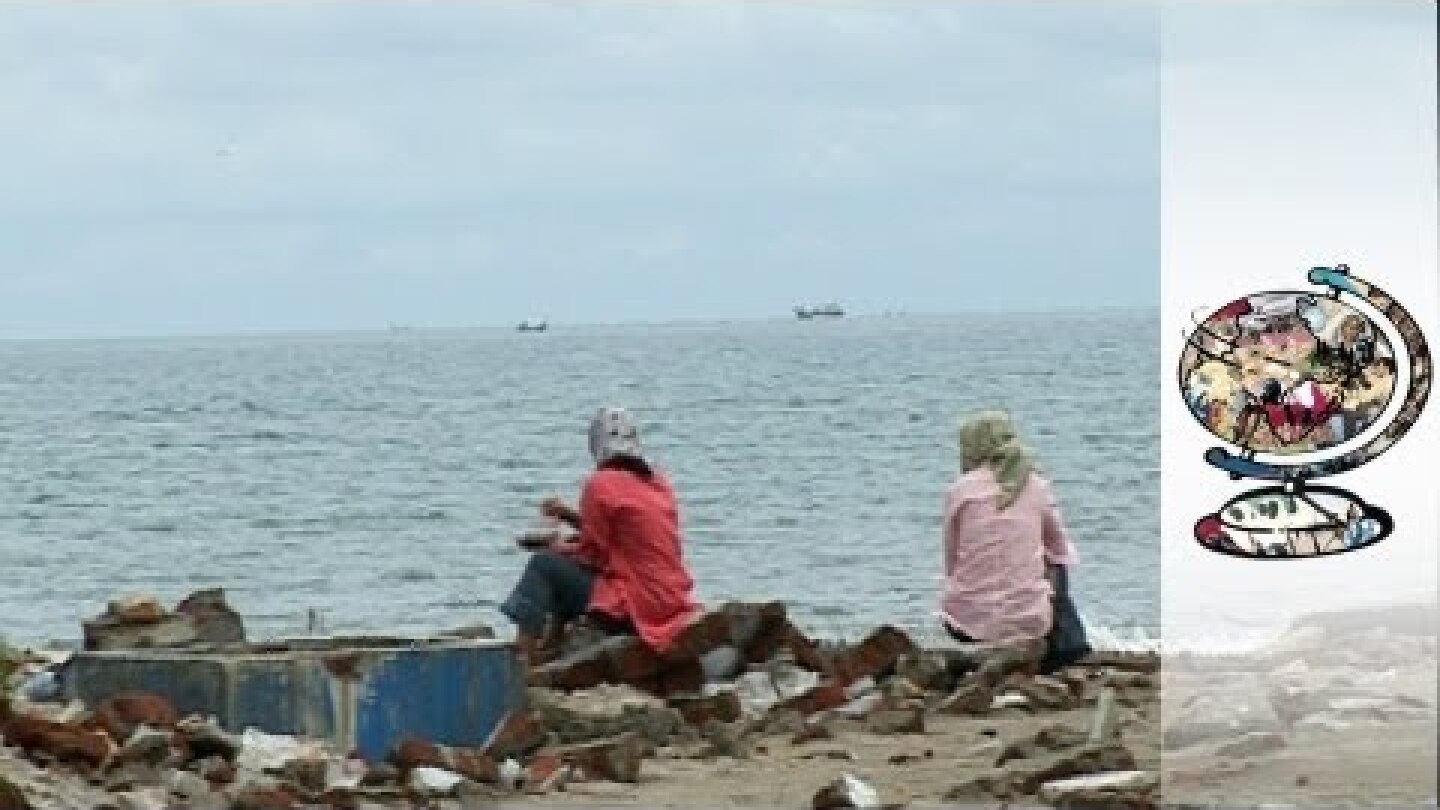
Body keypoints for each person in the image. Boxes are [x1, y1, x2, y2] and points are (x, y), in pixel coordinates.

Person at [500, 407, 705, 666]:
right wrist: (568, 516)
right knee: (561, 566)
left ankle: (523, 657)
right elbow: (623, 537)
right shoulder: (659, 484)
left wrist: (554, 546)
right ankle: (553, 645)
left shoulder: (599, 483)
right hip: (668, 602)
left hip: (634, 606)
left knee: (544, 565)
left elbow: (593, 555)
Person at [939, 410, 1088, 675]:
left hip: (966, 624)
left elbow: (952, 561)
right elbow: (1060, 550)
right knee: (1055, 562)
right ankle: (1069, 646)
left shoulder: (960, 490)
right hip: (1031, 622)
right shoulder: (1036, 486)